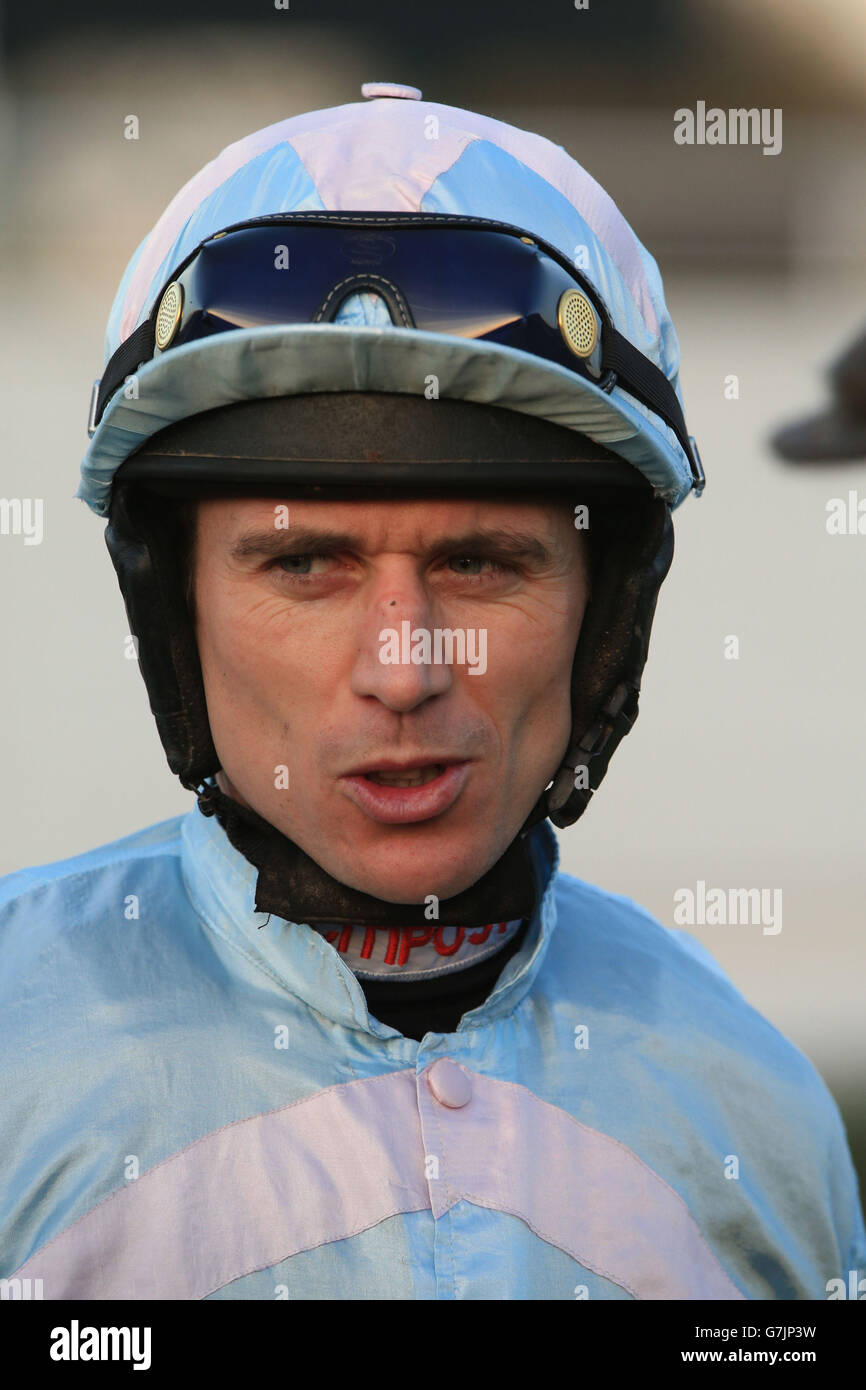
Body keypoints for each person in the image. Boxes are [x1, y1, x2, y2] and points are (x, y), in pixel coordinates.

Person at [1, 81, 862, 1302]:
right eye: (304, 564)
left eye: (481, 562)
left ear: (605, 615)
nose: (403, 668)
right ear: (171, 605)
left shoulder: (751, 1107)